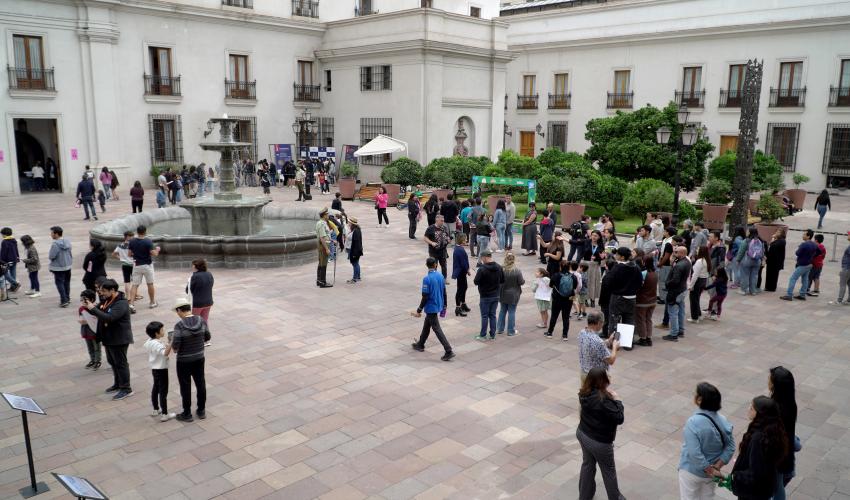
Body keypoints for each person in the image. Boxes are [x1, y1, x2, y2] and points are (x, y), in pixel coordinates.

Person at [710, 396, 788, 499]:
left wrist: (731, 479)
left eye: (752, 408)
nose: (748, 409)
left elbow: (756, 474)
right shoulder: (774, 431)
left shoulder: (758, 439)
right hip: (764, 489)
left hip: (754, 494)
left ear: (760, 414)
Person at [678, 382, 735, 499]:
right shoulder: (723, 420)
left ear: (700, 400)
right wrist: (716, 467)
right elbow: (731, 446)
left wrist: (708, 469)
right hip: (711, 473)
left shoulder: (693, 422)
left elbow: (694, 453)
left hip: (691, 471)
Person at [576, 367, 625, 500]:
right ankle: (615, 497)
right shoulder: (603, 400)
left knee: (588, 465)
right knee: (608, 471)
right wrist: (617, 400)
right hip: (599, 442)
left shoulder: (583, 393)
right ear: (602, 381)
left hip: (583, 433)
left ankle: (584, 496)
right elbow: (619, 418)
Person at [84, 279, 134, 400]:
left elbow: (110, 318)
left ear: (113, 290)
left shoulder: (121, 303)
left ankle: (126, 388)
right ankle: (118, 384)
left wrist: (93, 309)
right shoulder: (106, 300)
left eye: (104, 291)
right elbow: (101, 312)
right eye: (100, 291)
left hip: (119, 338)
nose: (101, 294)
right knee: (112, 362)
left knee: (121, 364)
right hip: (109, 338)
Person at [171, 297, 210, 422]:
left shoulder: (179, 325)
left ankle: (187, 413)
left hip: (184, 361)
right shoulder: (201, 320)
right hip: (199, 357)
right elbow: (207, 336)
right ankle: (201, 410)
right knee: (200, 383)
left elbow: (176, 346)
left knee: (185, 386)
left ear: (179, 310)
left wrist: (171, 342)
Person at [411, 257, 454, 361]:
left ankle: (448, 350)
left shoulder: (427, 279)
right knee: (427, 325)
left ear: (426, 265)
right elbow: (444, 292)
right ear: (435, 265)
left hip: (431, 307)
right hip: (439, 304)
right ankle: (421, 344)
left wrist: (419, 310)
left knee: (437, 329)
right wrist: (445, 305)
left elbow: (425, 296)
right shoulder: (440, 276)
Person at [769, 367, 798, 500]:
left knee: (777, 486)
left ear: (776, 385)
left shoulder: (774, 408)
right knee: (778, 484)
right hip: (786, 451)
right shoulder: (790, 403)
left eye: (770, 379)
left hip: (776, 453)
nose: (768, 381)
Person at [605, 247, 643, 341]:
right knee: (629, 320)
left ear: (622, 257)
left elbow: (608, 281)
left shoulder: (618, 267)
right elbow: (640, 282)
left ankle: (614, 341)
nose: (616, 256)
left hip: (618, 297)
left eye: (617, 254)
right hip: (632, 297)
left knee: (614, 320)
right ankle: (627, 343)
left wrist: (615, 289)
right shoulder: (636, 267)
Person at [144, 321, 176, 422]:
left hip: (154, 369)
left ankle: (155, 409)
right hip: (161, 369)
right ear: (156, 333)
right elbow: (165, 353)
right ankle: (165, 414)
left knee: (156, 388)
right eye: (162, 330)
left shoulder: (150, 341)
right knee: (163, 391)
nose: (164, 331)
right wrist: (171, 342)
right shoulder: (157, 344)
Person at [128, 225, 161, 311]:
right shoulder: (148, 241)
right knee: (150, 284)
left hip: (137, 265)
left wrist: (136, 253)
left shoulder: (132, 241)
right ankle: (152, 302)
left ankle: (131, 304)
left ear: (137, 232)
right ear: (145, 232)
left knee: (135, 285)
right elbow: (155, 254)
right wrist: (157, 249)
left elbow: (129, 254)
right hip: (147, 265)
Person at [578, 312, 619, 381]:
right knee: (597, 392)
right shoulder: (598, 342)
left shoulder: (582, 332)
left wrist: (608, 341)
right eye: (603, 323)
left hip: (584, 373)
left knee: (585, 391)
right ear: (599, 323)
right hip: (596, 378)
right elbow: (611, 360)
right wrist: (615, 347)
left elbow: (593, 347)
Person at [474, 249, 504, 341]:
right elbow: (502, 280)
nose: (482, 260)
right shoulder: (499, 267)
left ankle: (483, 335)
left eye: (482, 258)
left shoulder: (482, 269)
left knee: (484, 316)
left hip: (485, 296)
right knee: (493, 315)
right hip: (495, 295)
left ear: (485, 257)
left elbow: (476, 282)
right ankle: (492, 334)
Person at [663, 246, 692, 342]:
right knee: (681, 312)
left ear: (682, 253)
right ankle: (680, 330)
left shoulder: (679, 265)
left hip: (675, 292)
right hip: (682, 290)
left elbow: (675, 280)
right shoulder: (687, 262)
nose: (674, 253)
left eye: (676, 252)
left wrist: (667, 283)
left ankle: (673, 334)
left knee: (673, 313)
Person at [780, 229, 818, 301]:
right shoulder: (814, 244)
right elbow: (818, 252)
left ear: (808, 236)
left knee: (793, 278)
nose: (803, 235)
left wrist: (801, 251)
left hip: (802, 264)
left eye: (804, 234)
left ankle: (789, 295)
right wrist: (811, 256)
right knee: (805, 279)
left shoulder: (804, 244)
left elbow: (797, 253)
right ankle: (802, 294)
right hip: (809, 264)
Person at [546, 259, 576, 340]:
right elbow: (575, 287)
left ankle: (550, 332)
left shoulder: (556, 275)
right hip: (568, 300)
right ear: (569, 267)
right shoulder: (573, 276)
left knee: (554, 316)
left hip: (557, 299)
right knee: (566, 317)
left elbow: (550, 285)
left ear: (560, 267)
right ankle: (565, 335)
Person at [496, 252, 524, 336]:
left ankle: (500, 329)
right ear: (514, 259)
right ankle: (511, 331)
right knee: (511, 312)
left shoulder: (501, 269)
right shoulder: (517, 271)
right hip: (513, 294)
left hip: (502, 293)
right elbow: (521, 282)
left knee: (502, 310)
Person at [635, 254, 657, 346]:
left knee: (641, 320)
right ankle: (649, 338)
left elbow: (638, 286)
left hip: (643, 301)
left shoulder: (643, 273)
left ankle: (643, 338)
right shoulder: (655, 273)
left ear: (644, 262)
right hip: (653, 300)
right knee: (649, 319)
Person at [48, 226, 72, 307]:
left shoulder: (55, 244)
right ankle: (67, 298)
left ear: (56, 234)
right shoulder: (67, 241)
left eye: (52, 233)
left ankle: (64, 300)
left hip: (58, 267)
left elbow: (51, 256)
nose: (51, 235)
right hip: (68, 266)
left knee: (59, 283)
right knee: (67, 282)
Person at [77, 289, 102, 370]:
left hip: (95, 332)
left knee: (96, 347)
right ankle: (92, 360)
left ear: (91, 300)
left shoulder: (95, 308)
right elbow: (81, 319)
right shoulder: (81, 309)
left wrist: (87, 321)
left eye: (84, 300)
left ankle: (97, 361)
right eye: (81, 300)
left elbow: (98, 318)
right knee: (90, 347)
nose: (82, 302)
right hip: (86, 331)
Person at [736, 228, 764, 296]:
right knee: (754, 276)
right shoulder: (760, 240)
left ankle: (744, 290)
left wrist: (738, 260)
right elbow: (762, 252)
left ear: (750, 232)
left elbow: (741, 252)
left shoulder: (746, 241)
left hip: (747, 260)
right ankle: (753, 291)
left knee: (745, 275)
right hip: (757, 261)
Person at [187, 259, 215, 327]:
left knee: (195, 322)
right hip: (208, 302)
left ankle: (197, 336)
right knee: (204, 320)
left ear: (196, 266)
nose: (192, 266)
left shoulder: (195, 276)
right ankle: (205, 335)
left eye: (193, 265)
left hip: (197, 304)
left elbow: (188, 290)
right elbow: (211, 285)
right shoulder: (209, 274)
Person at [688, 246, 711, 323]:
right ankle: (698, 314)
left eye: (698, 249)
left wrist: (691, 286)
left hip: (698, 281)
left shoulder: (699, 261)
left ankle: (694, 318)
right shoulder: (707, 260)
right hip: (703, 281)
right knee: (697, 298)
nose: (697, 250)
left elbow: (695, 275)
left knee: (693, 299)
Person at [424, 214, 451, 279]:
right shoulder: (430, 228)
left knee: (444, 266)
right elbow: (425, 238)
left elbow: (447, 236)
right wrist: (431, 242)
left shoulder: (444, 228)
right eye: (441, 221)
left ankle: (444, 279)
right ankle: (433, 278)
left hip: (443, 251)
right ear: (437, 220)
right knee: (434, 266)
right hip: (433, 251)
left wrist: (448, 239)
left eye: (443, 221)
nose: (442, 222)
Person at [112, 231, 136, 300]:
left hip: (124, 265)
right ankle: (134, 295)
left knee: (127, 281)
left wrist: (121, 258)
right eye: (131, 236)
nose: (133, 237)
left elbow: (113, 254)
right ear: (127, 237)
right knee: (135, 281)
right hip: (132, 265)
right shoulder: (133, 245)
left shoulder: (120, 245)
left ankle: (128, 297)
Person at [583, 230, 604, 307]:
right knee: (586, 282)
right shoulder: (586, 242)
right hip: (587, 264)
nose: (594, 237)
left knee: (594, 283)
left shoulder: (601, 245)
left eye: (596, 236)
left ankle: (593, 300)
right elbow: (583, 252)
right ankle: (585, 299)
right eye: (592, 235)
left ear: (599, 237)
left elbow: (602, 256)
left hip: (595, 266)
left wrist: (602, 257)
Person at [452, 233, 471, 316]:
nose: (466, 240)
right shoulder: (460, 250)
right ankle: (458, 308)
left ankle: (463, 304)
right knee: (460, 289)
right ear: (462, 240)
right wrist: (468, 270)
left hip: (461, 272)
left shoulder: (458, 248)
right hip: (461, 272)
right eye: (465, 239)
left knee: (464, 287)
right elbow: (463, 263)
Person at [829, 231, 850, 305]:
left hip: (847, 268)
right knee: (849, 283)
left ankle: (839, 300)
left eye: (849, 234)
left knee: (842, 284)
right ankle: (849, 300)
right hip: (848, 268)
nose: (848, 235)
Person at [316, 207, 333, 288]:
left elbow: (326, 235)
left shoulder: (322, 222)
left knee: (321, 262)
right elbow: (322, 238)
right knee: (323, 264)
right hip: (323, 246)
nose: (328, 215)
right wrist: (327, 249)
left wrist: (332, 240)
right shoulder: (321, 224)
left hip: (323, 245)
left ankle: (319, 280)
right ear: (324, 215)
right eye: (327, 214)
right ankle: (323, 282)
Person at [1, 227, 21, 293]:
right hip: (14, 259)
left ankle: (15, 283)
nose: (2, 236)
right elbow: (16, 250)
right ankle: (13, 287)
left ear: (5, 234)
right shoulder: (13, 240)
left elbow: (3, 252)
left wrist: (2, 261)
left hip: (8, 260)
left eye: (2, 234)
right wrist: (17, 257)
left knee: (4, 273)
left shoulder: (4, 242)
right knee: (13, 273)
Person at [346, 217, 363, 284]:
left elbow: (356, 243)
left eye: (349, 222)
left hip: (353, 250)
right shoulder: (355, 230)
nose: (348, 223)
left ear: (352, 223)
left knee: (355, 264)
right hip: (353, 250)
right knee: (356, 264)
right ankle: (358, 277)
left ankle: (354, 278)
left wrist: (354, 253)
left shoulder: (355, 231)